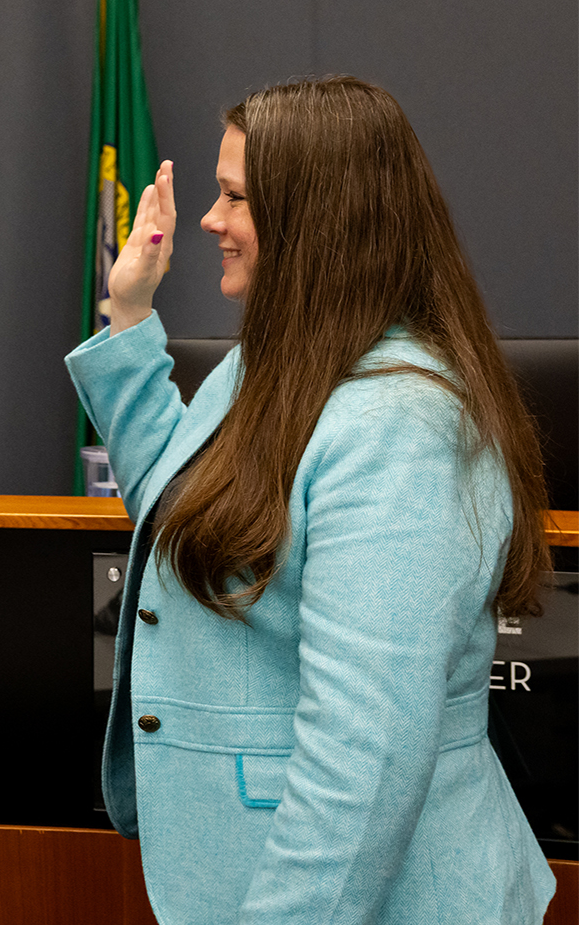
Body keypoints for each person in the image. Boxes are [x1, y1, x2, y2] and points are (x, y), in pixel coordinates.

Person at [74, 75, 556, 924]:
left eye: (234, 198)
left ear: (314, 220)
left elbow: (361, 759)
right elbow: (185, 517)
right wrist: (128, 315)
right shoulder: (276, 359)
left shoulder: (401, 423)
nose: (211, 222)